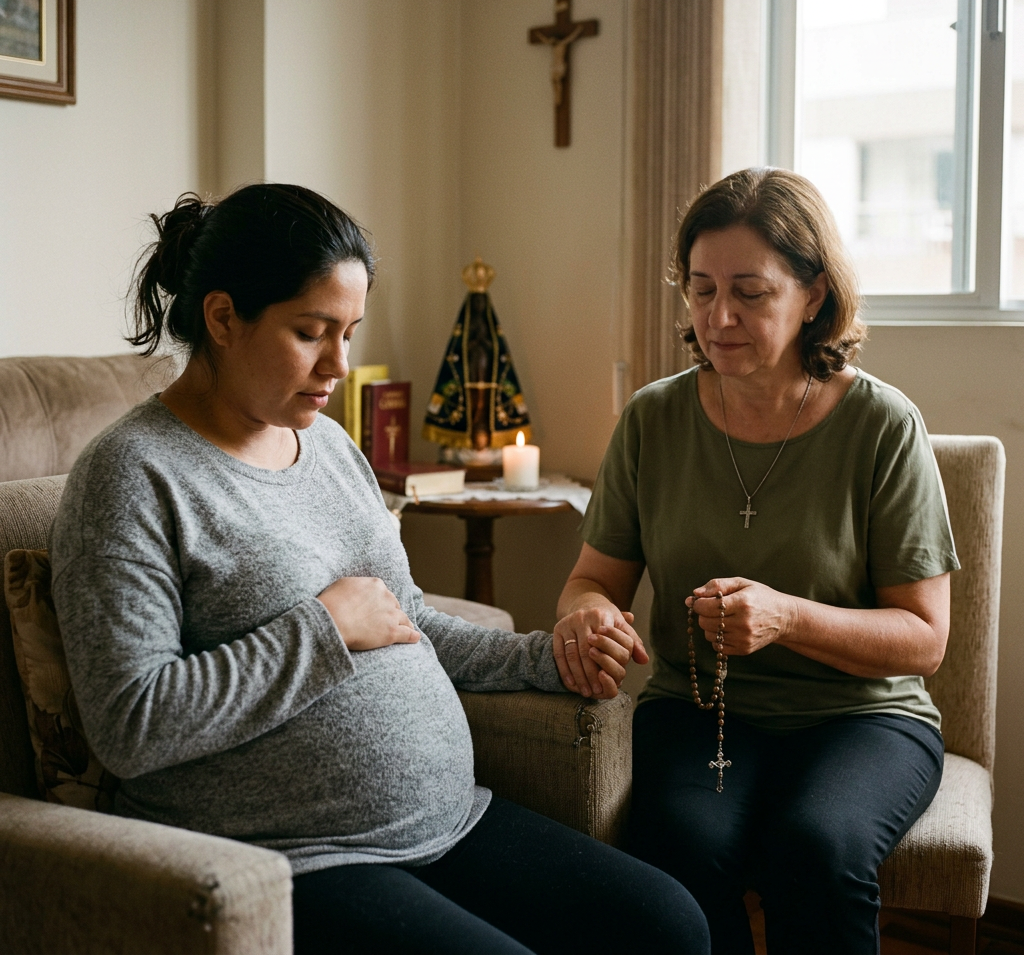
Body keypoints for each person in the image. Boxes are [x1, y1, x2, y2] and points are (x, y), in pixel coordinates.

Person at [48, 183, 709, 955]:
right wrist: (324, 630)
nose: (338, 365)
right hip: (289, 857)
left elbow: (408, 621)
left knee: (669, 925)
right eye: (310, 332)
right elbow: (132, 721)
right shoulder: (131, 476)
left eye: (350, 332)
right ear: (222, 318)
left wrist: (549, 656)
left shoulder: (327, 445)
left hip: (448, 822)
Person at [556, 168, 957, 954]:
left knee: (817, 848)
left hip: (864, 718)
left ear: (813, 295)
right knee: (676, 850)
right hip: (699, 710)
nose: (720, 317)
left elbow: (925, 639)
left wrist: (787, 618)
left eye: (750, 291)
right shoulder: (653, 419)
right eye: (701, 290)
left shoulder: (883, 426)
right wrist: (588, 618)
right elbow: (592, 581)